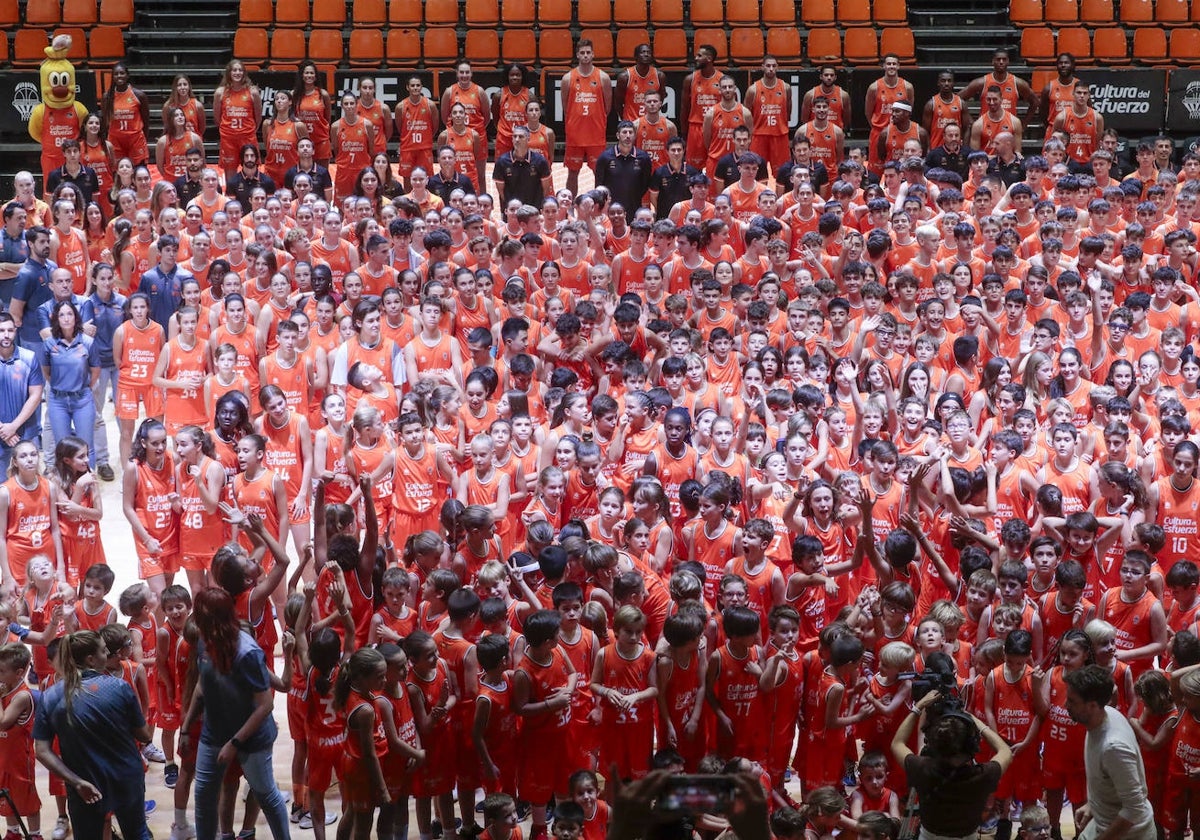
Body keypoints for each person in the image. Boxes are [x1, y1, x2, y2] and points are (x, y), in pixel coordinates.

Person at [183, 584, 291, 840]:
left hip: (251, 740)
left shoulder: (247, 653)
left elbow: (265, 705)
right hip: (213, 733)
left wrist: (234, 743)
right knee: (204, 796)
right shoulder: (204, 642)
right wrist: (186, 728)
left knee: (265, 793)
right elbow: (201, 687)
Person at [34, 631, 153, 840]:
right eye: (103, 651)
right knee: (137, 834)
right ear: (90, 659)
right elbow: (143, 736)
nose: (107, 654)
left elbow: (42, 751)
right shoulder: (119, 687)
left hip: (84, 785)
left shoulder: (50, 696)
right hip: (126, 778)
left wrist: (76, 782)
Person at [892, 675, 1013, 840]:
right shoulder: (983, 775)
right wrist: (975, 720)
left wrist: (919, 706)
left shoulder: (922, 768)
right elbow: (1005, 751)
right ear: (972, 745)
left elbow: (897, 743)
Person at [1064, 664, 1156, 840]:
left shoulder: (1114, 748)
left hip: (1128, 835)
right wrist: (1092, 805)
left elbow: (1134, 808)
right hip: (1104, 823)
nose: (1065, 704)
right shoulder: (1106, 714)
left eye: (1072, 701)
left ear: (1092, 705)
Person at [562, 39, 613, 197]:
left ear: (593, 54)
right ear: (577, 55)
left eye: (588, 52)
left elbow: (607, 107)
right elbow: (566, 107)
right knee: (572, 173)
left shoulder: (603, 77)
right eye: (582, 53)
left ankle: (599, 205)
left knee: (599, 173)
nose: (585, 55)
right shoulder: (568, 78)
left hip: (595, 135)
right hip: (575, 135)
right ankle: (569, 207)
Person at [594, 122, 654, 218]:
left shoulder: (643, 158)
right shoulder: (605, 157)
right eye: (624, 132)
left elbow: (645, 184)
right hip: (611, 210)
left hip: (634, 207)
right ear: (618, 135)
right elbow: (599, 185)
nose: (628, 136)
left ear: (635, 136)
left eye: (631, 133)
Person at [100, 63, 151, 167]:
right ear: (113, 77)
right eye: (116, 74)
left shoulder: (139, 95)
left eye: (122, 73)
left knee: (139, 170)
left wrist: (142, 138)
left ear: (127, 75)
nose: (119, 76)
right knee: (118, 172)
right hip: (116, 139)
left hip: (135, 139)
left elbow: (146, 121)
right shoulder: (107, 97)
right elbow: (105, 122)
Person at [494, 126, 553, 208]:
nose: (517, 140)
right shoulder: (502, 162)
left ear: (528, 139)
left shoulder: (540, 161)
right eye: (514, 136)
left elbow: (545, 189)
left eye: (521, 137)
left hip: (534, 210)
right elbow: (501, 191)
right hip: (512, 212)